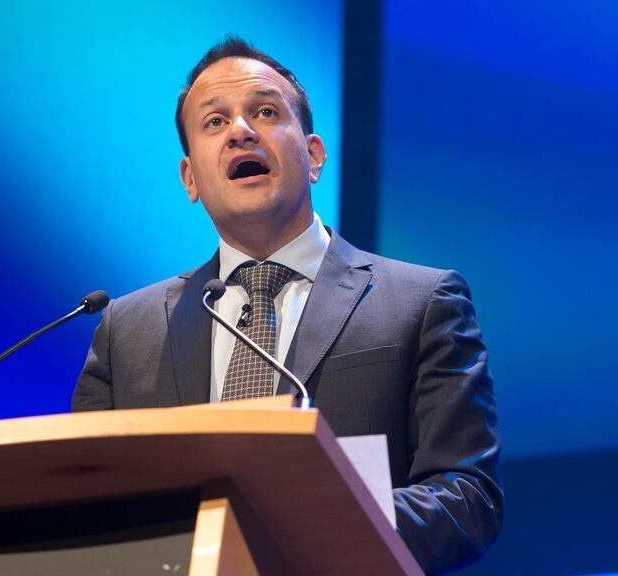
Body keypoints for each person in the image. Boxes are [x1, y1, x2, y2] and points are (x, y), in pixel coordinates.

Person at [73, 36, 503, 574]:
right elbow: (88, 507)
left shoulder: (421, 302)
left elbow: (468, 498)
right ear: (190, 179)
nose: (240, 131)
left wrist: (308, 526)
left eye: (266, 112)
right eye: (214, 122)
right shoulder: (124, 331)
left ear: (315, 154)